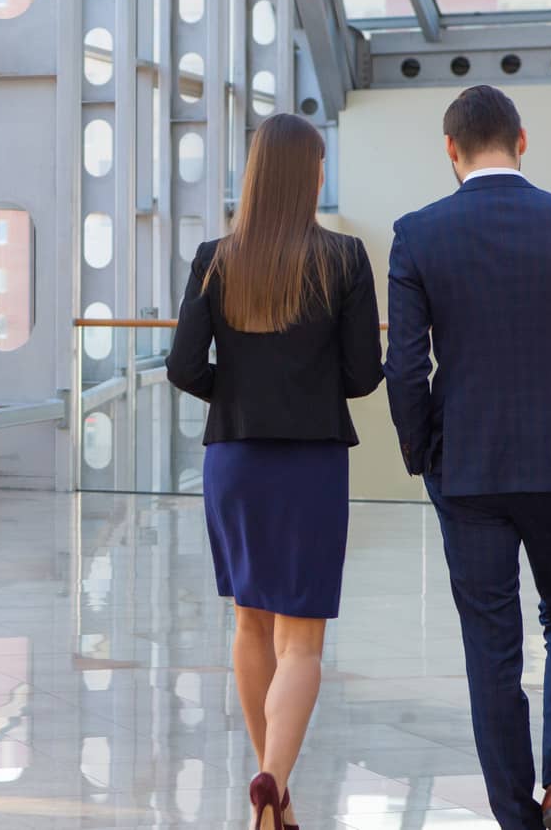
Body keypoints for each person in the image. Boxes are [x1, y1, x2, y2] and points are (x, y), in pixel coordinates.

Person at [165, 113, 382, 830]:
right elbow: (361, 374)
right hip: (311, 460)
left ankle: (274, 795)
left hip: (234, 458)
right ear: (313, 173)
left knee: (251, 623)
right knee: (303, 639)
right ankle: (273, 783)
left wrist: (240, 392)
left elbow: (184, 367)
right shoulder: (345, 258)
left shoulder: (215, 257)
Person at [384, 84, 551, 830]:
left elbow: (403, 366)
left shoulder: (420, 232)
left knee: (490, 642)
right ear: (522, 139)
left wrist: (425, 453)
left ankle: (515, 815)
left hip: (469, 469)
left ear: (451, 152)